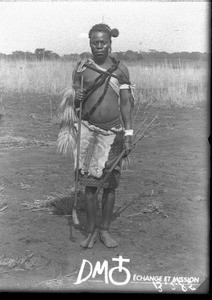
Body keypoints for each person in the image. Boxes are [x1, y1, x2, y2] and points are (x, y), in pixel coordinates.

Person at [59, 23, 134, 248]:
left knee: (110, 186)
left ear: (110, 44)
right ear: (90, 43)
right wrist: (76, 95)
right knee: (90, 187)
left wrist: (128, 134)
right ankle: (91, 231)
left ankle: (105, 230)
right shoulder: (82, 69)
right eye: (95, 42)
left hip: (114, 133)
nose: (99, 46)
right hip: (89, 132)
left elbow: (125, 104)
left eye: (103, 43)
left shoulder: (121, 70)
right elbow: (74, 103)